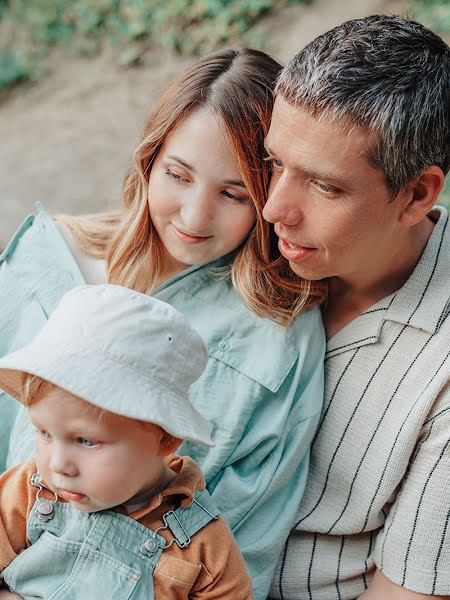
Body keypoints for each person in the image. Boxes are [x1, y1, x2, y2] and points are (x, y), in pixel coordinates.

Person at [0, 48, 326, 598]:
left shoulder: (278, 340)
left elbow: (250, 535)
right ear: (148, 161)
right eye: (177, 174)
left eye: (233, 193)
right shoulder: (46, 257)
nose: (195, 217)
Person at [262, 14, 450, 600]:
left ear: (417, 194)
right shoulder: (258, 228)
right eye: (275, 164)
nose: (274, 209)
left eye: (325, 186)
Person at [0, 284, 253, 599]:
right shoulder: (28, 493)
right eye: (45, 433)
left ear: (166, 438)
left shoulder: (200, 543)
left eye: (86, 441)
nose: (57, 464)